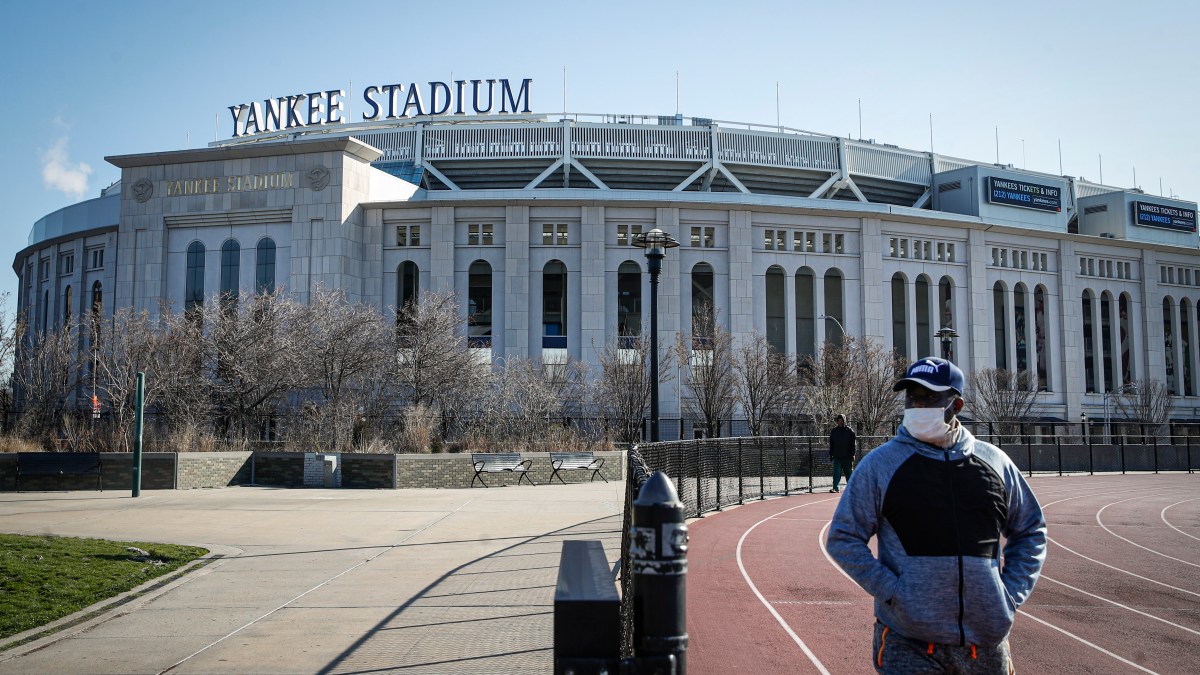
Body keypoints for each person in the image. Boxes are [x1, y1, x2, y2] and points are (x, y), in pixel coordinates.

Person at [826, 357, 1047, 673]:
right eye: (911, 396)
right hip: (910, 643)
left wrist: (1008, 595)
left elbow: (1031, 530)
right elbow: (843, 537)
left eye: (929, 397)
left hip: (987, 645)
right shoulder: (880, 465)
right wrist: (893, 592)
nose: (917, 404)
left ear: (956, 404)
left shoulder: (995, 463)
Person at [828, 414, 856, 493]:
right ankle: (835, 487)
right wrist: (831, 454)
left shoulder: (850, 431)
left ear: (844, 421)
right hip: (837, 456)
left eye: (841, 420)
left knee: (849, 473)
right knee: (836, 473)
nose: (840, 422)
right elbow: (831, 444)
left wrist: (853, 454)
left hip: (847, 457)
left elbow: (853, 445)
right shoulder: (834, 431)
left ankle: (851, 487)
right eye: (839, 420)